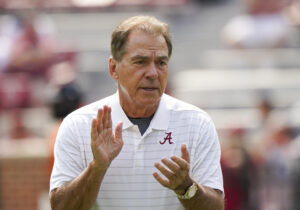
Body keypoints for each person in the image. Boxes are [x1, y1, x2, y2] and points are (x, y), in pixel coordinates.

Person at [49, 15, 224, 210]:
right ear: (114, 68)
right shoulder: (78, 124)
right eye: (140, 62)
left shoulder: (197, 123)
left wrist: (186, 188)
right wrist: (96, 168)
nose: (153, 73)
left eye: (161, 63)